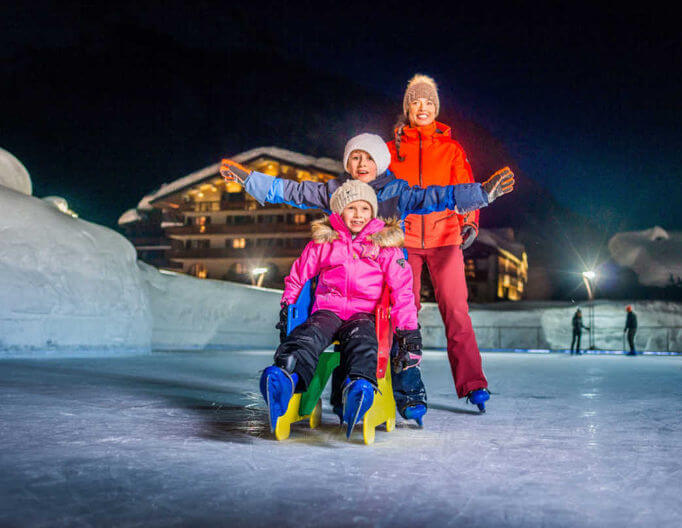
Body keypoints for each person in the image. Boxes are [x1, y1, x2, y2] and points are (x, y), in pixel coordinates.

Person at [223, 133, 514, 423]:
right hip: (335, 292)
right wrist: (251, 181)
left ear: (382, 162)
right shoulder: (335, 190)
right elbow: (294, 191)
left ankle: (405, 391)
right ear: (347, 163)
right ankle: (295, 378)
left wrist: (482, 193)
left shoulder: (397, 191)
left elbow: (440, 195)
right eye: (356, 157)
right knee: (315, 335)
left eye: (370, 158)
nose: (362, 164)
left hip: (380, 281)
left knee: (395, 323)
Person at [387, 74, 514, 411]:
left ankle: (473, 383)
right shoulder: (390, 150)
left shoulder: (452, 148)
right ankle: (402, 386)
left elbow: (466, 188)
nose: (423, 107)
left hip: (445, 239)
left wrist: (469, 223)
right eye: (416, 101)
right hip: (403, 240)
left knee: (457, 312)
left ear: (436, 107)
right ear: (408, 108)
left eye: (428, 101)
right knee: (404, 313)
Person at [259, 180, 423, 439]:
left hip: (364, 314)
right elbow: (299, 276)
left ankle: (359, 386)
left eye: (365, 209)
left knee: (363, 342)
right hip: (328, 309)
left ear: (373, 212)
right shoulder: (324, 242)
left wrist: (408, 331)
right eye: (351, 208)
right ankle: (286, 377)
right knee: (307, 336)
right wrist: (287, 306)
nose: (358, 215)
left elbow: (402, 291)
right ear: (339, 211)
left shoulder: (385, 246)